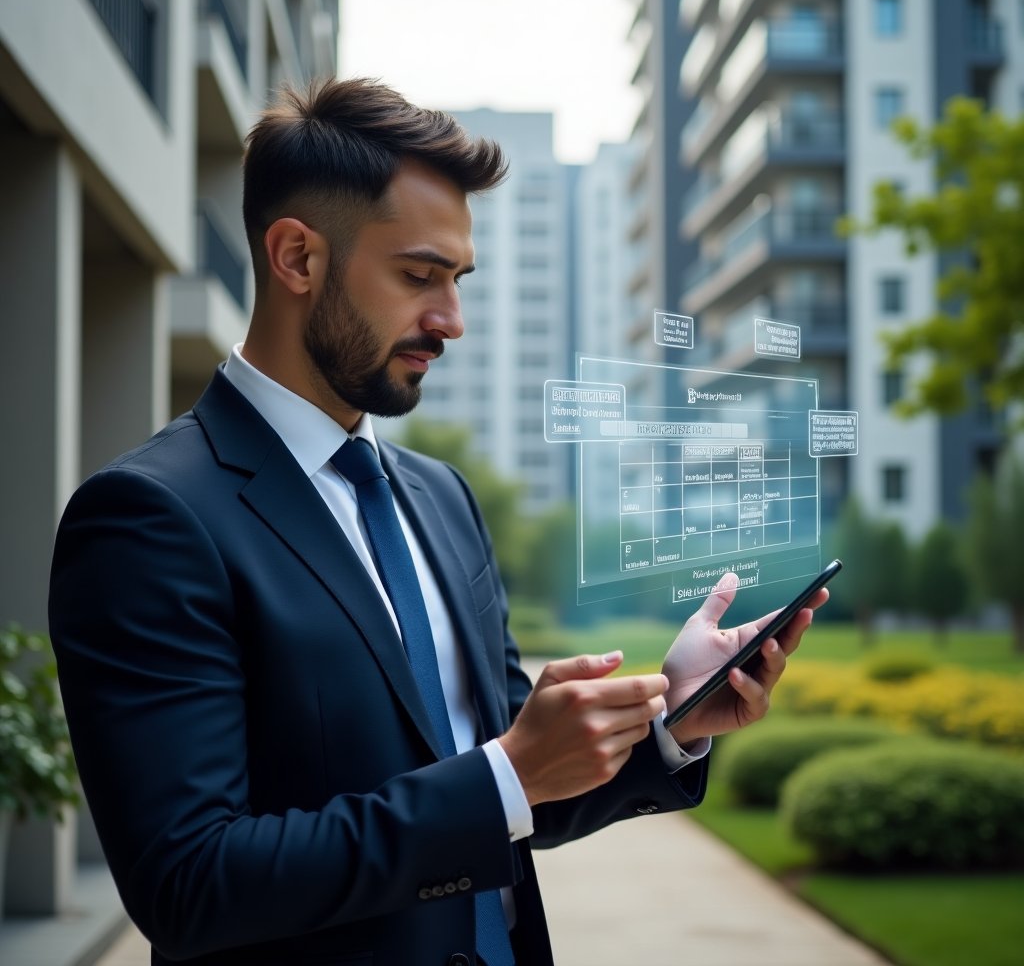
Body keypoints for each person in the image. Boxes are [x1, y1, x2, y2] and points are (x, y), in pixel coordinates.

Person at [49, 78, 828, 966]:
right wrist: (507, 775)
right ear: (297, 258)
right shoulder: (150, 517)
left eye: (457, 280)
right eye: (419, 276)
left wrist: (670, 719)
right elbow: (189, 883)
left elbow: (507, 778)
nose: (450, 321)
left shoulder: (442, 499)